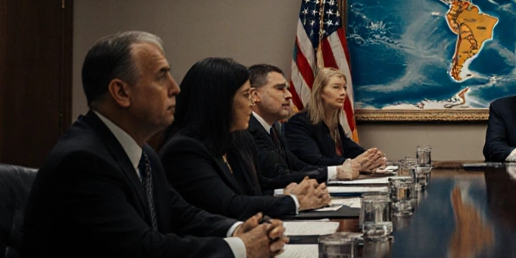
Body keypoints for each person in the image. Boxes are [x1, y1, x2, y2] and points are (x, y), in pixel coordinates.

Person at [18, 32, 286, 258]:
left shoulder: (141, 153)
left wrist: (237, 230)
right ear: (121, 92)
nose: (175, 89)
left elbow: (183, 214)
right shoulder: (83, 160)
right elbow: (142, 251)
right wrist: (241, 248)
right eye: (162, 77)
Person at [160, 57, 330, 219]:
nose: (251, 103)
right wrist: (294, 201)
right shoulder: (184, 150)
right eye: (246, 95)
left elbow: (259, 189)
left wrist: (287, 193)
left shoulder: (239, 139)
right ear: (220, 101)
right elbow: (229, 205)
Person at [245, 63, 355, 186]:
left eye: (287, 89)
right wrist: (336, 172)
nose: (289, 95)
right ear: (255, 95)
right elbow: (278, 176)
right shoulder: (248, 130)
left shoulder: (274, 128)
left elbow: (297, 166)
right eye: (280, 88)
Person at [286, 67, 387, 174]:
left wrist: (372, 157)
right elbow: (315, 161)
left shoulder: (333, 124)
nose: (343, 93)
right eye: (336, 87)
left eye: (344, 87)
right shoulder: (298, 123)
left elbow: (350, 149)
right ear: (320, 91)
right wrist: (353, 164)